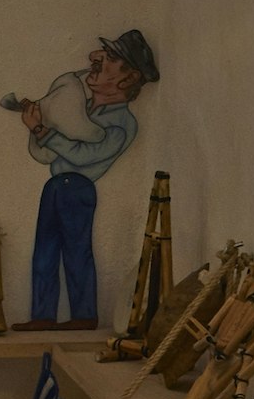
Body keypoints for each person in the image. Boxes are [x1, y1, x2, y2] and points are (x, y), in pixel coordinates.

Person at [13, 28, 158, 330]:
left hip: (77, 189)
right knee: (44, 253)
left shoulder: (122, 123)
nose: (95, 57)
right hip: (55, 186)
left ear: (128, 78)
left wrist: (41, 130)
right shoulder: (82, 109)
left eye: (111, 57)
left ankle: (84, 315)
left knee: (76, 252)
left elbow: (83, 155)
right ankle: (42, 315)